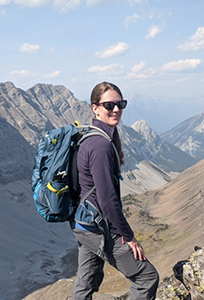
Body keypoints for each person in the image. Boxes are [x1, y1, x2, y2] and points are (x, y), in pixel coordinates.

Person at [71, 82, 159, 300]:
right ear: (95, 108)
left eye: (120, 104)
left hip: (84, 224)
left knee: (86, 283)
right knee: (147, 278)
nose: (116, 109)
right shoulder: (100, 146)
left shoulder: (91, 136)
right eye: (109, 105)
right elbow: (108, 201)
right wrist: (129, 237)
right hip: (97, 226)